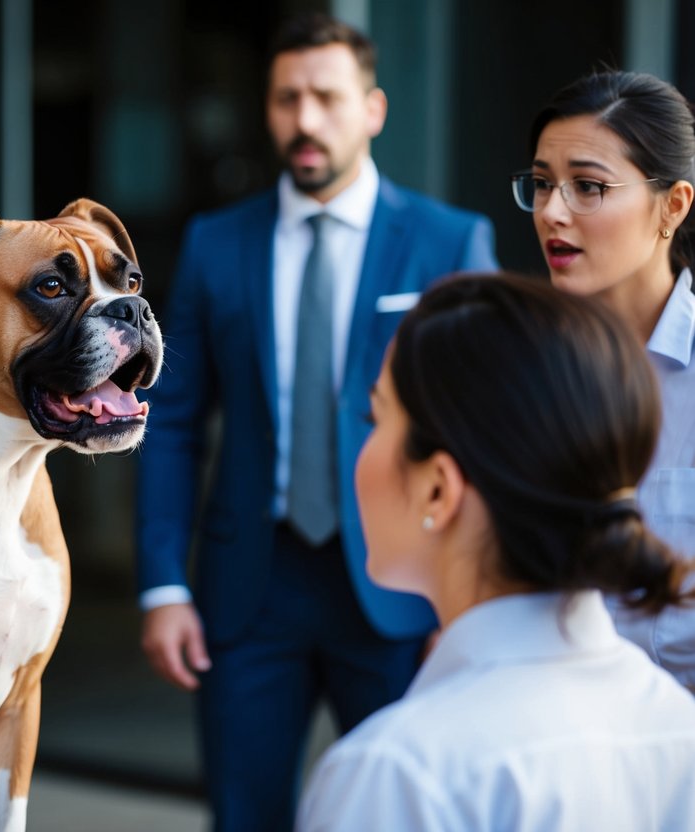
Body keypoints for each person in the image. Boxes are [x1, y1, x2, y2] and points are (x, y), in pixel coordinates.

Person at [134, 12, 498, 829]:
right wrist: (162, 583)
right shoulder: (214, 242)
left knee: (408, 813)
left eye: (326, 99)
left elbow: (485, 430)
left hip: (403, 590)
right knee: (242, 814)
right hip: (247, 592)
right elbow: (175, 420)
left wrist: (469, 602)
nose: (304, 121)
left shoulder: (448, 241)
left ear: (371, 109)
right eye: (286, 99)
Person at [296, 273, 695, 830]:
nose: (360, 452)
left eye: (375, 418)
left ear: (438, 486)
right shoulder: (677, 727)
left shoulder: (397, 775)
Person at [513, 70, 695, 686]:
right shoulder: (522, 368)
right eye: (541, 185)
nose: (551, 212)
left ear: (672, 205)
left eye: (587, 187)